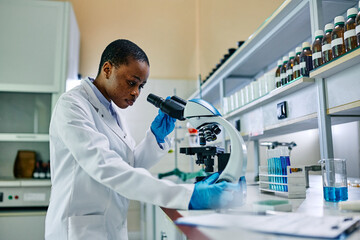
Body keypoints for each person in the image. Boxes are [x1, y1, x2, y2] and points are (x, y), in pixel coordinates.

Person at [45, 39, 240, 240]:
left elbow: (128, 164)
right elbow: (106, 167)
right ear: (107, 69)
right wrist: (188, 195)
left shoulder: (113, 111)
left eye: (141, 86)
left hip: (110, 227)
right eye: (132, 82)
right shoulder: (72, 105)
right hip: (78, 230)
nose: (136, 93)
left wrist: (155, 139)